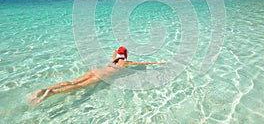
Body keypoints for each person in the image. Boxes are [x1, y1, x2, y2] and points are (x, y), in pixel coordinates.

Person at [29, 46, 165, 104]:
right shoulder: (125, 62)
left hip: (95, 71)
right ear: (126, 55)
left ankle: (42, 90)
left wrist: (118, 51)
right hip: (100, 77)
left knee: (73, 82)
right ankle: (51, 93)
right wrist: (158, 62)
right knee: (78, 87)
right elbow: (142, 62)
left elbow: (115, 51)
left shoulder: (113, 58)